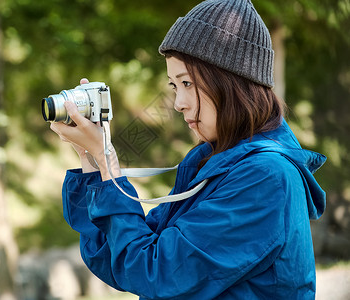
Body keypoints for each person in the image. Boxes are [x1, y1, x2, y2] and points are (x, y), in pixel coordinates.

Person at [50, 0, 327, 299]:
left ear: (232, 83)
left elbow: (155, 273)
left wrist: (109, 165)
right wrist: (91, 162)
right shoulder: (211, 162)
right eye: (173, 85)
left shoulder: (266, 178)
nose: (178, 103)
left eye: (187, 83)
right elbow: (119, 259)